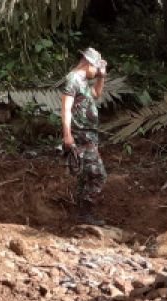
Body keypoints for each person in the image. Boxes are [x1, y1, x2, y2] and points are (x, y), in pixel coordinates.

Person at [62, 47, 108, 225]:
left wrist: (101, 76)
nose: (96, 71)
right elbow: (66, 108)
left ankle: (81, 215)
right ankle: (84, 213)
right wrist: (67, 135)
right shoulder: (73, 79)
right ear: (88, 63)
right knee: (99, 175)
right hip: (81, 135)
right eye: (95, 68)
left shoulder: (83, 81)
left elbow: (96, 94)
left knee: (86, 176)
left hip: (89, 136)